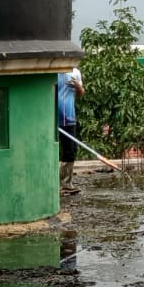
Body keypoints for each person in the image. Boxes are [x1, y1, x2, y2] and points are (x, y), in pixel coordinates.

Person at [56, 66, 84, 195]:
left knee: (71, 150)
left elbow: (81, 93)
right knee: (55, 148)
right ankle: (60, 184)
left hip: (69, 117)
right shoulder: (53, 72)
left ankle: (66, 183)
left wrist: (77, 86)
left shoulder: (75, 72)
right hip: (53, 118)